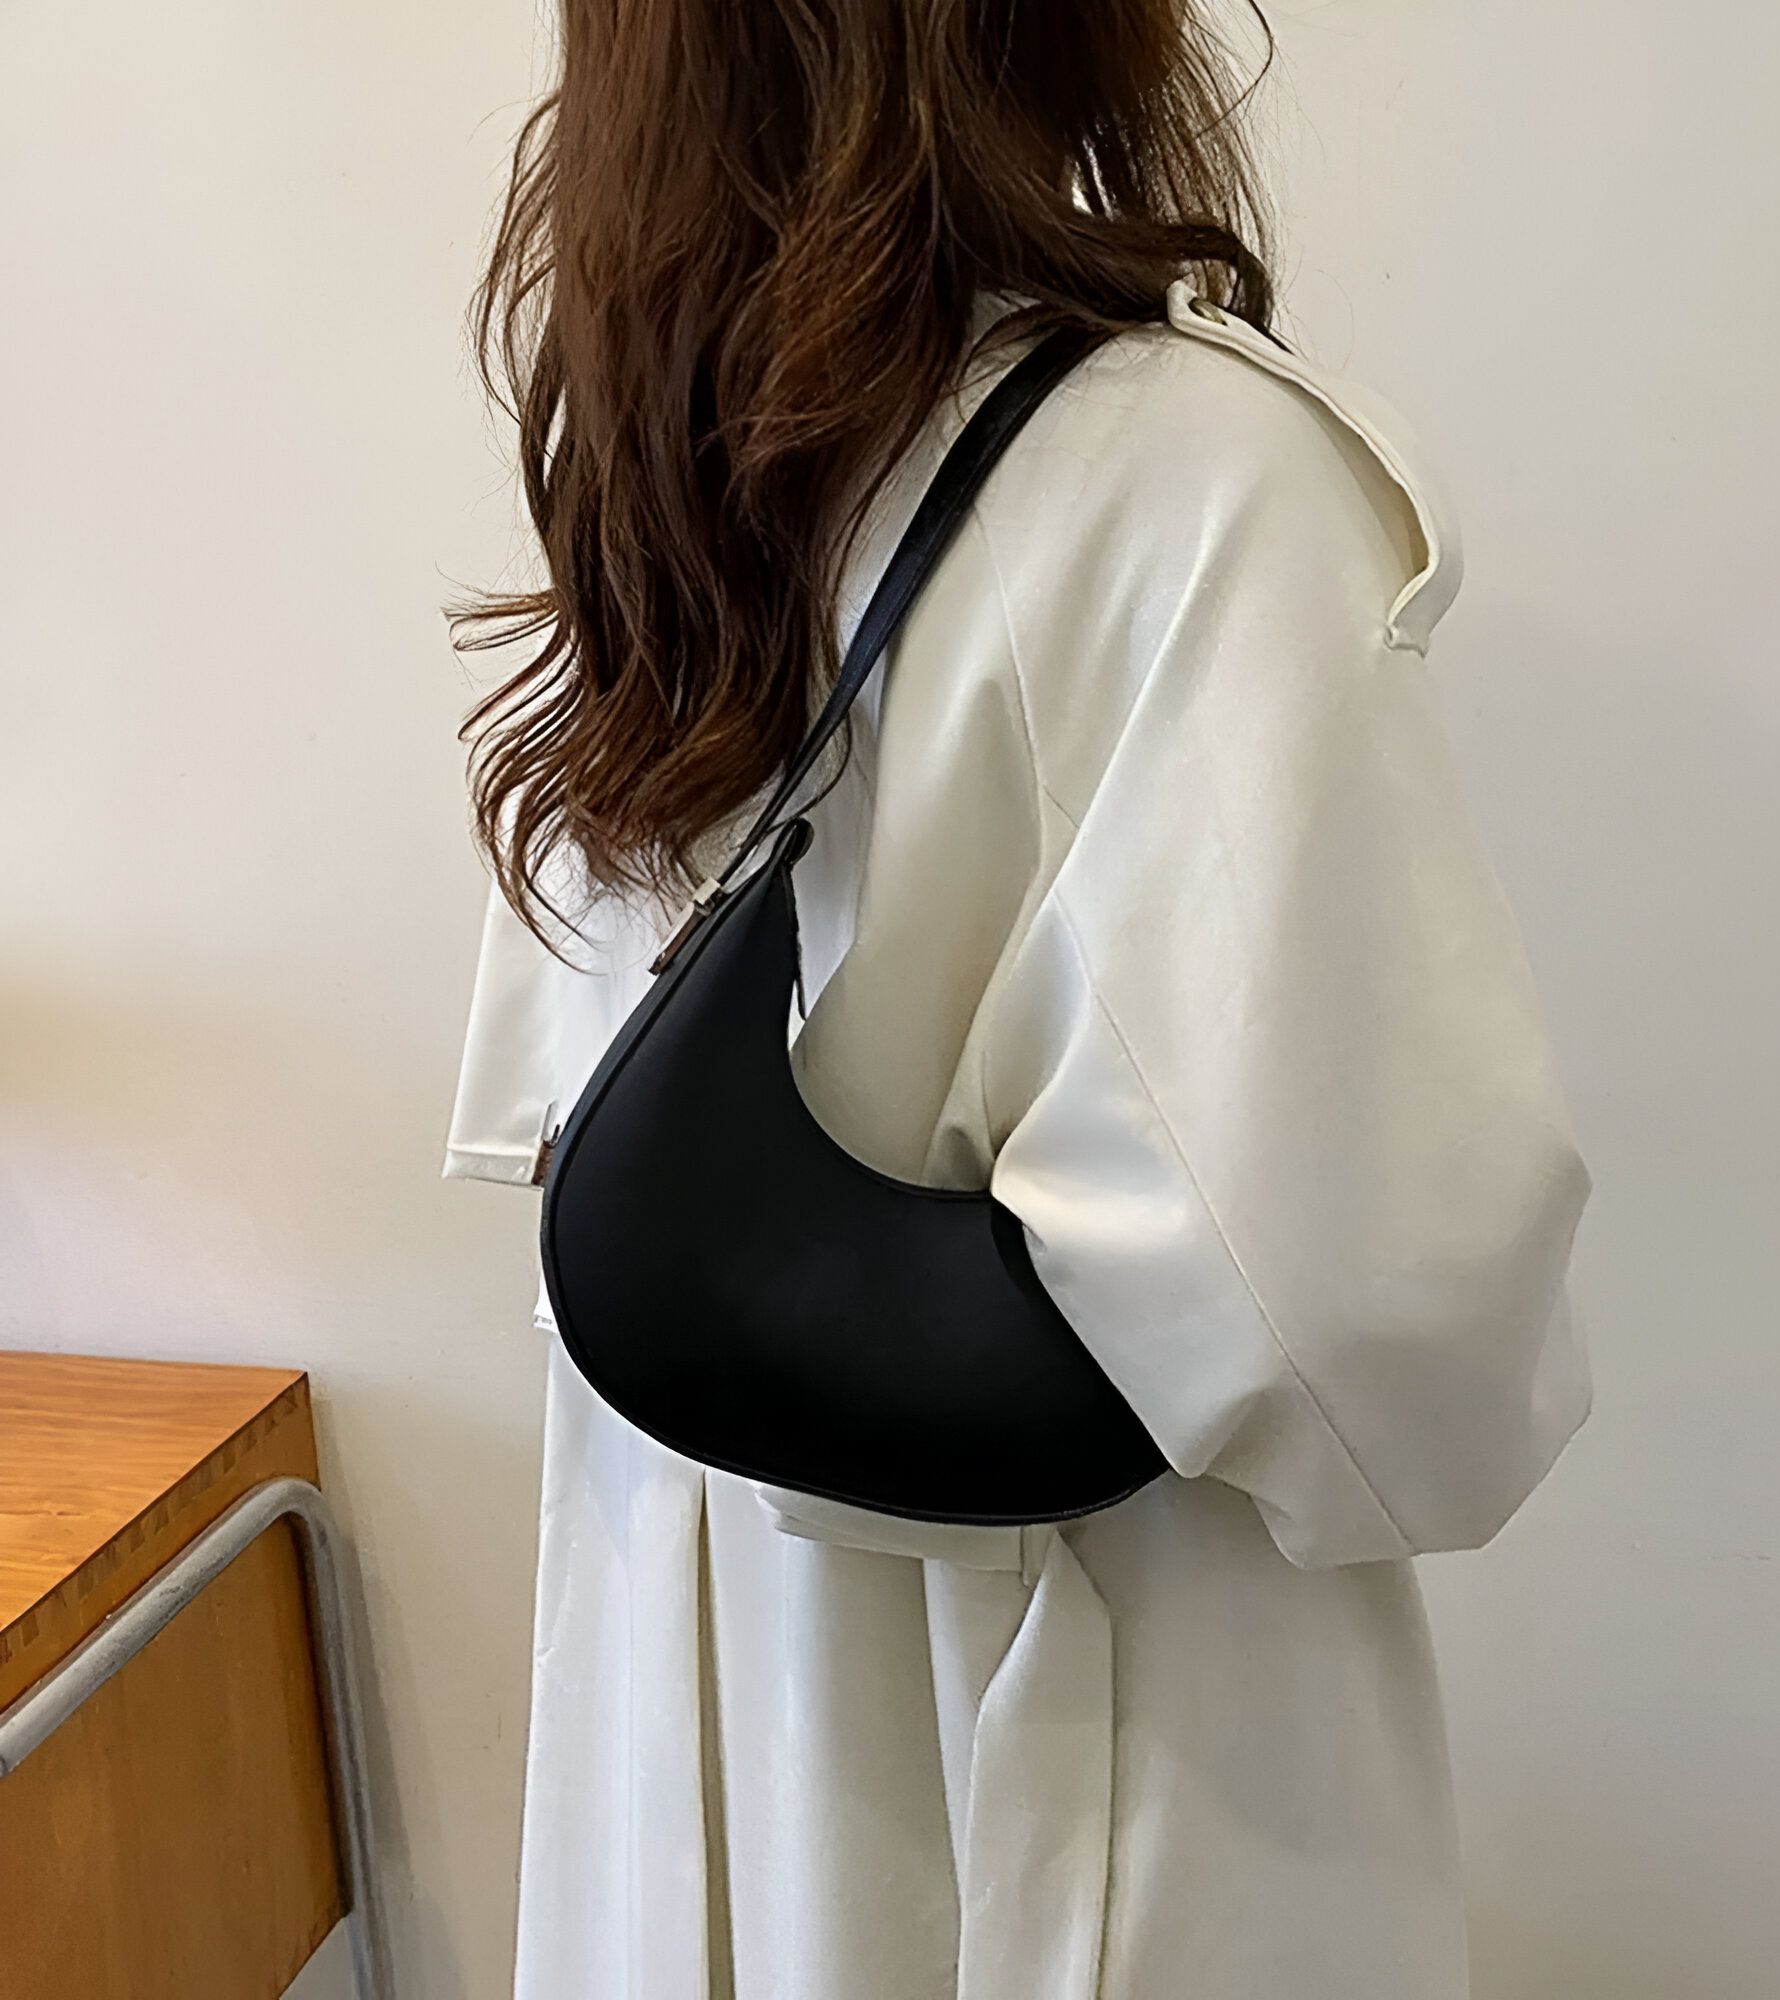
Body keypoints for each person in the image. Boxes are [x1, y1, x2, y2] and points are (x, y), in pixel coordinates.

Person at [442, 4, 1593, 1995]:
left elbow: (574, 1117)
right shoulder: (1194, 477)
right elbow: (1384, 1310)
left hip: (691, 1645)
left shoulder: (664, 455)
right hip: (1066, 1707)